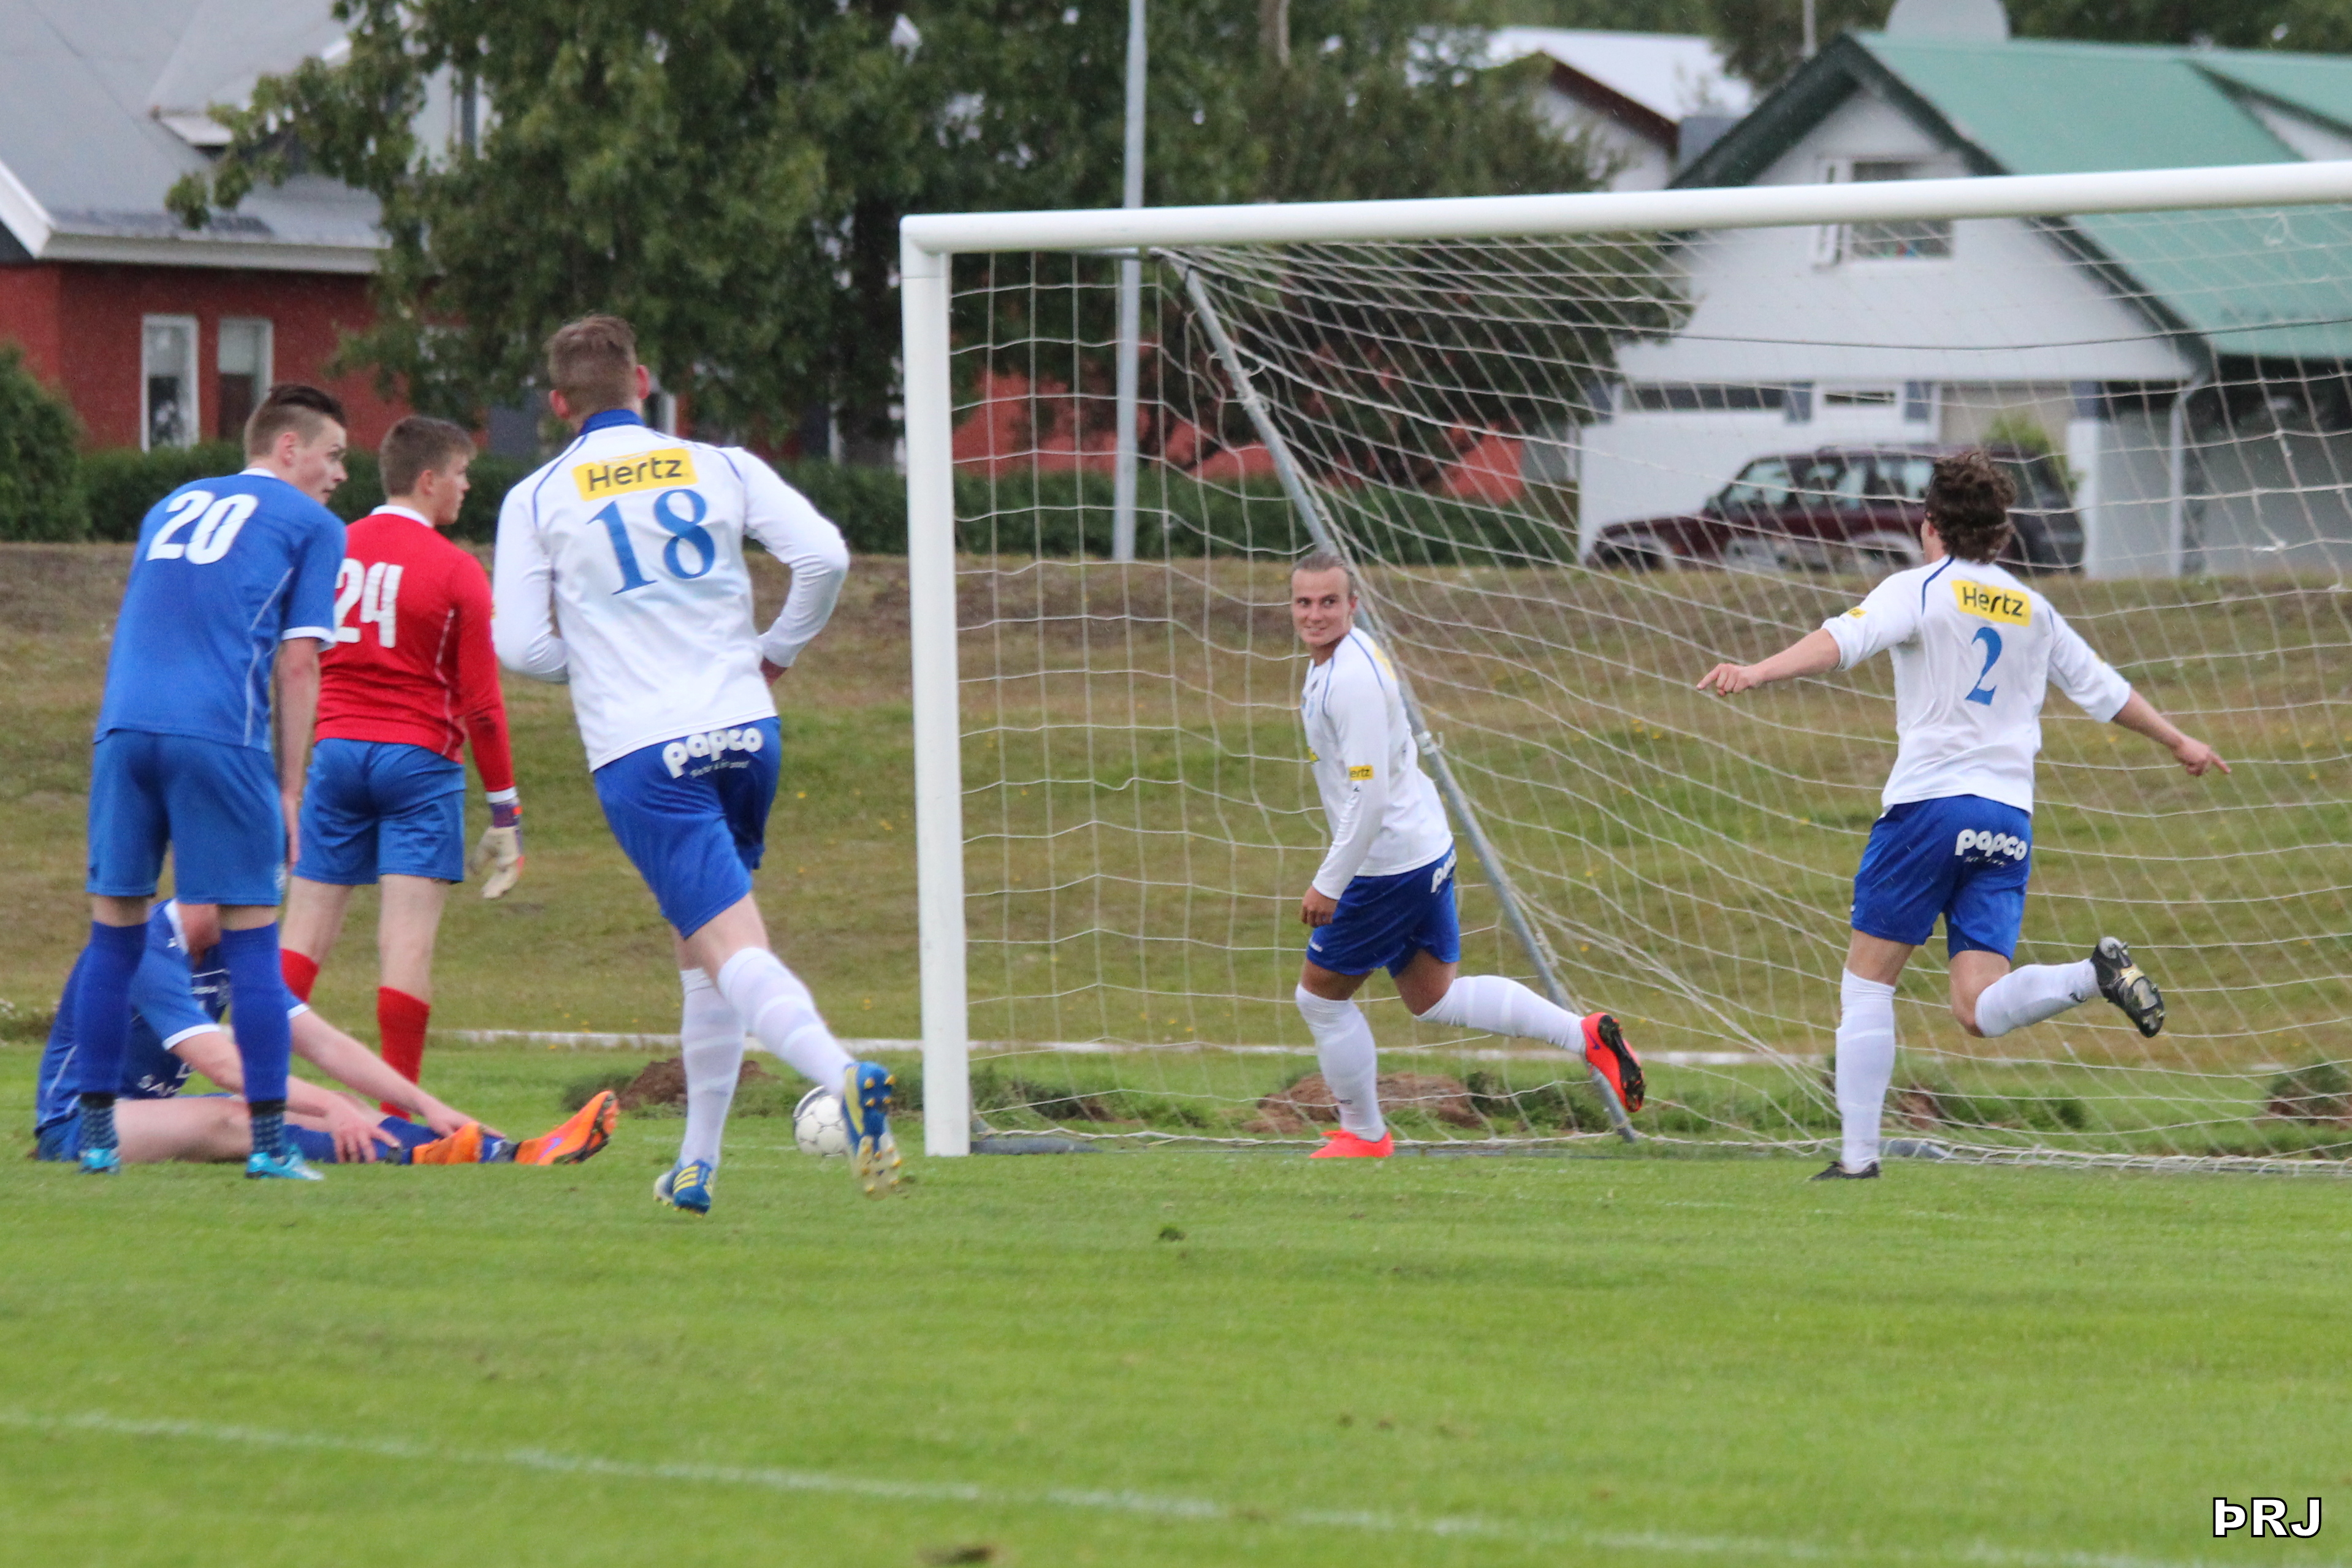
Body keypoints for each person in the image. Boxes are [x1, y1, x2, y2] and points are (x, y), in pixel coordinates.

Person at [1695, 449, 2228, 1181]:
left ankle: (1858, 1159)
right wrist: (2178, 740)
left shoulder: (1920, 588)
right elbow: (2103, 690)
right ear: (2002, 533)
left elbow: (1842, 640)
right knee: (1978, 1008)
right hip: (2008, 819)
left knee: (1868, 982)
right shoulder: (2033, 607)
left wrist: (1757, 670)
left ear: (1930, 525)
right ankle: (2092, 975)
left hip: (1930, 808)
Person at [491, 313, 891, 1211]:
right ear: (645, 383)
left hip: (645, 748)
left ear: (558, 404)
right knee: (702, 946)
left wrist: (597, 660)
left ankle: (841, 1071)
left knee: (729, 946)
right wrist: (777, 650)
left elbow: (516, 644)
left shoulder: (538, 495)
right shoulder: (722, 464)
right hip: (747, 731)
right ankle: (696, 1164)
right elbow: (823, 556)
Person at [72, 384, 351, 1179]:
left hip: (123, 729)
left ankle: (97, 1139)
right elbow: (299, 662)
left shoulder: (169, 504)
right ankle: (270, 1145)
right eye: (333, 455)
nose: (339, 474)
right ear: (288, 448)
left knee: (114, 935)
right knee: (253, 941)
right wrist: (290, 789)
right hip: (219, 736)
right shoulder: (315, 526)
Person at [1287, 552, 1644, 1158]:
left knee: (1319, 998)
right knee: (1432, 997)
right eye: (1303, 602)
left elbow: (1370, 797)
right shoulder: (1341, 659)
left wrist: (1330, 882)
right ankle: (1585, 1036)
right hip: (1422, 848)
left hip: (1386, 865)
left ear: (1354, 605)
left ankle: (1365, 1134)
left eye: (1329, 602)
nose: (1314, 614)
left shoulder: (1352, 680)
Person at [280, 416, 525, 1113]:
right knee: (405, 946)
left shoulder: (332, 544)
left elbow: (296, 652)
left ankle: (261, 1095)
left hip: (336, 751)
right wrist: (505, 810)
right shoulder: (456, 569)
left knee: (302, 934)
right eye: (460, 473)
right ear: (427, 479)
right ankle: (399, 1115)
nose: (467, 486)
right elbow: (483, 707)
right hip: (419, 760)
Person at [32, 900, 617, 1169]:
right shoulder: (144, 947)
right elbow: (224, 1065)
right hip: (79, 1124)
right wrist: (327, 1105)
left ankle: (509, 1153)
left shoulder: (234, 943)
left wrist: (427, 1103)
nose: (265, 911)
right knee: (235, 1119)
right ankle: (433, 1157)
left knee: (343, 1107)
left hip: (147, 1114)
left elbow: (323, 1042)